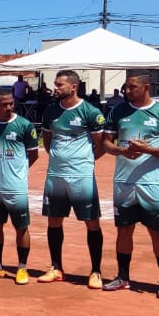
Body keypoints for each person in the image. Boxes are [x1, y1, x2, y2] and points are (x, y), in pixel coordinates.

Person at [100, 70, 159, 298]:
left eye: (132, 87)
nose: (126, 91)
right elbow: (106, 144)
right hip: (123, 182)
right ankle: (123, 276)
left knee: (157, 233)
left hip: (150, 183)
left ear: (146, 87)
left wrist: (149, 150)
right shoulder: (118, 111)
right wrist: (123, 150)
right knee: (124, 231)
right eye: (126, 87)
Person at [39, 70, 107, 288]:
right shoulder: (50, 112)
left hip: (82, 175)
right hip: (56, 175)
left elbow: (100, 144)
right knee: (54, 220)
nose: (55, 88)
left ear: (73, 87)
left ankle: (96, 271)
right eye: (55, 84)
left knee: (91, 222)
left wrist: (84, 163)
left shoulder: (90, 111)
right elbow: (48, 142)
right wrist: (60, 160)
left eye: (59, 85)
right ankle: (56, 267)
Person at [0, 88, 40, 284]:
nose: (8, 107)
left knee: (21, 227)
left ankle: (22, 268)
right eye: (3, 104)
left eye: (11, 103)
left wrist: (19, 172)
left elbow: (33, 154)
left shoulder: (24, 125)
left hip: (16, 187)